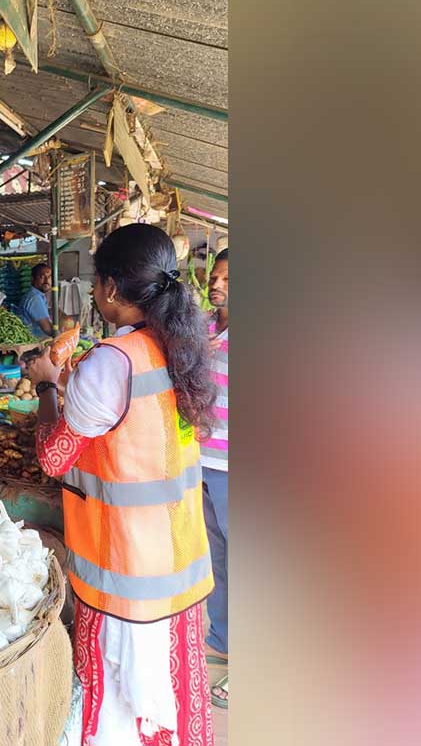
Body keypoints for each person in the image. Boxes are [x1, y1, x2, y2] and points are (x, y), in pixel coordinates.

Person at [27, 223, 218, 746]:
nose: (93, 293)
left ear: (111, 287)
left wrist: (46, 387)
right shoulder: (178, 346)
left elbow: (54, 456)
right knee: (170, 700)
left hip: (124, 574)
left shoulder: (113, 360)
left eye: (95, 283)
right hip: (178, 558)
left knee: (120, 708)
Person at [201, 248, 229, 709]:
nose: (217, 285)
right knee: (217, 557)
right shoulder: (203, 327)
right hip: (200, 460)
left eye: (227, 279)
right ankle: (222, 638)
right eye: (216, 277)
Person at [17, 263, 55, 338]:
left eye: (49, 277)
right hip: (33, 342)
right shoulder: (34, 298)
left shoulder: (38, 295)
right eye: (42, 277)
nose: (47, 280)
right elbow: (48, 329)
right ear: (33, 279)